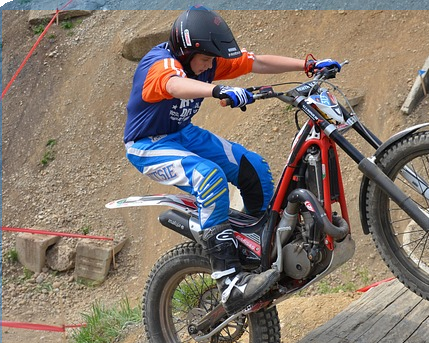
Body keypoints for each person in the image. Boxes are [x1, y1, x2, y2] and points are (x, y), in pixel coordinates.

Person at [123, 6, 341, 314]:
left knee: (254, 168)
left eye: (212, 60)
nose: (210, 64)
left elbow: (256, 61)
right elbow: (174, 85)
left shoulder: (205, 62)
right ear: (186, 52)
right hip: (147, 145)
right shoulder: (160, 64)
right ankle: (229, 282)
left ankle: (261, 249)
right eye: (206, 59)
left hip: (182, 134)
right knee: (208, 176)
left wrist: (307, 65)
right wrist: (218, 90)